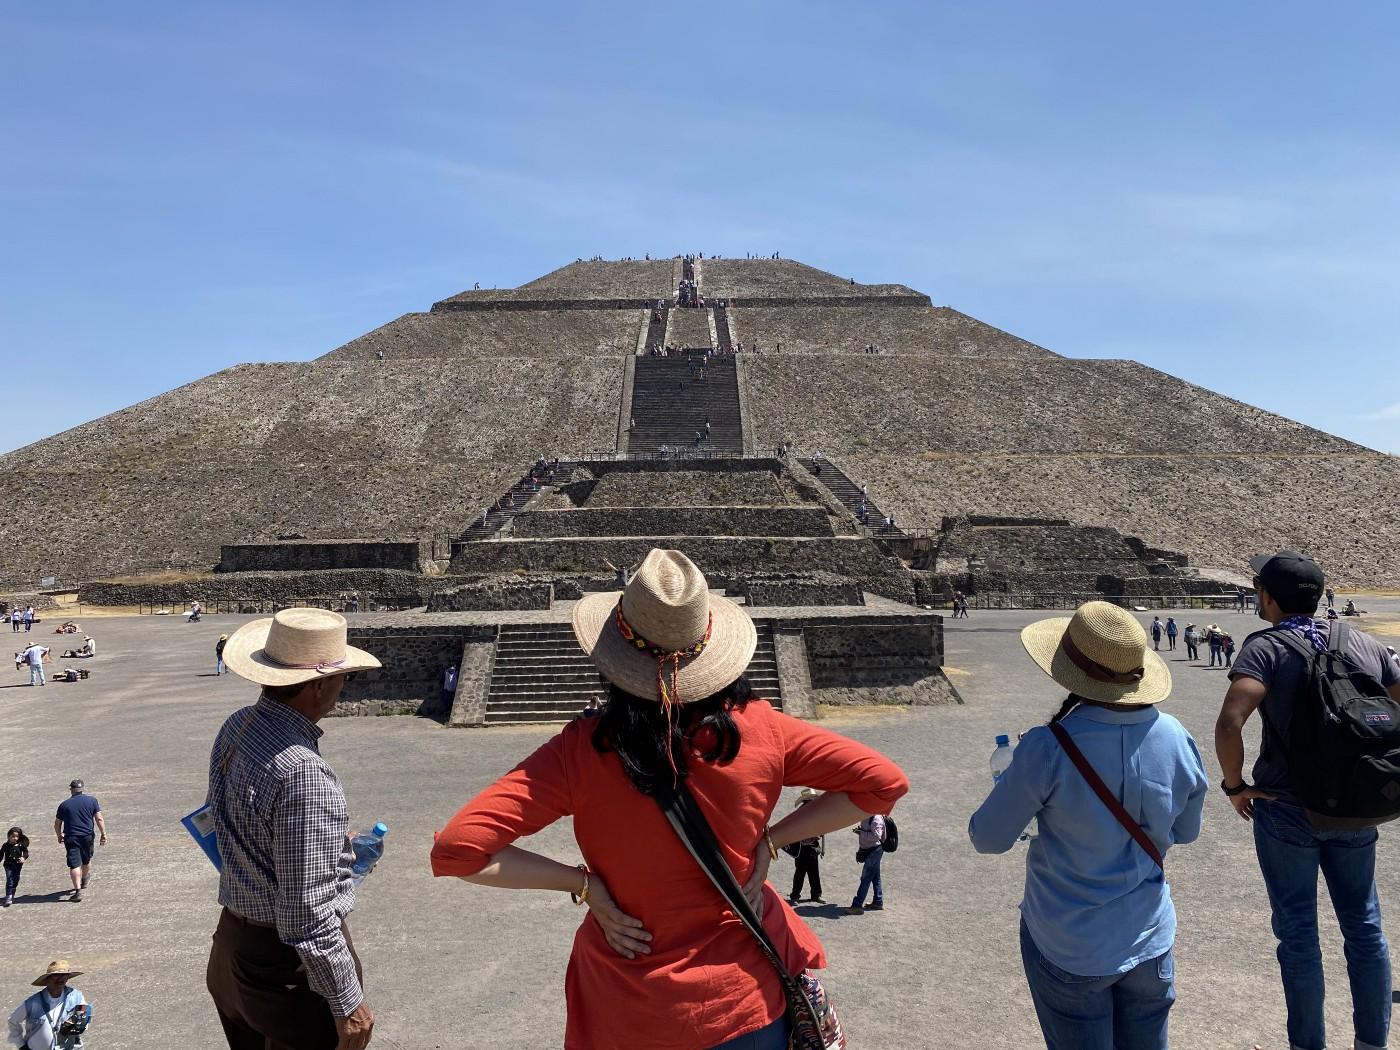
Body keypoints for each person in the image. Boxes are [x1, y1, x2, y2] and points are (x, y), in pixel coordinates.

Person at [431, 548, 908, 1049]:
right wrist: (769, 843)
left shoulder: (580, 750)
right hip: (741, 1000)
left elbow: (456, 851)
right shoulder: (765, 731)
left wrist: (585, 884)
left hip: (628, 1007)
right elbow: (883, 783)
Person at [970, 601, 1208, 1050]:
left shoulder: (1048, 746)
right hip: (1149, 935)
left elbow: (988, 838)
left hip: (1070, 942)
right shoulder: (1177, 735)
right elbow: (1187, 831)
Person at [1216, 551, 1400, 1050]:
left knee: (1298, 934)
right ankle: (1372, 1042)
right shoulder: (1363, 643)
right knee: (1364, 929)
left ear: (1268, 597)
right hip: (1355, 807)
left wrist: (1235, 787)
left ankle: (1308, 1043)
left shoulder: (1265, 648)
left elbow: (1231, 723)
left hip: (1285, 806)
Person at [205, 608, 381, 1050]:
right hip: (283, 968)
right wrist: (348, 1004)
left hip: (231, 946)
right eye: (342, 677)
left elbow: (235, 827)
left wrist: (330, 853)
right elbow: (307, 911)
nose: (343, 688)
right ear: (320, 684)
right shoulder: (304, 773)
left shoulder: (238, 726)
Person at [7, 962, 90, 1050]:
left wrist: (79, 1025)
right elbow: (13, 1021)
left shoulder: (76, 997)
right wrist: (21, 1045)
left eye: (65, 975)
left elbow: (84, 1017)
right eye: (57, 975)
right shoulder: (33, 1002)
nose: (61, 979)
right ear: (48, 979)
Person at [54, 780, 105, 902]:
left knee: (74, 864)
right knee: (86, 860)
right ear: (82, 789)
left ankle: (77, 891)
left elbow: (57, 823)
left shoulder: (64, 805)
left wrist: (59, 836)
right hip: (87, 836)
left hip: (71, 837)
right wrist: (103, 834)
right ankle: (84, 879)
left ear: (71, 789)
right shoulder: (92, 801)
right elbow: (99, 818)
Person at [786, 789, 825, 905]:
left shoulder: (816, 812)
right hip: (802, 848)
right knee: (800, 873)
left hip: (812, 847)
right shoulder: (801, 812)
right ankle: (794, 896)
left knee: (814, 872)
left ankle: (816, 895)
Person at [847, 812, 886, 913]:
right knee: (875, 877)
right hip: (871, 850)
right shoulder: (867, 816)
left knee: (865, 878)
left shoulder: (876, 819)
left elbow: (877, 836)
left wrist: (861, 833)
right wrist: (860, 831)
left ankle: (857, 905)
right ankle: (878, 901)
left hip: (874, 851)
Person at [3, 827, 28, 907]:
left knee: (16, 879)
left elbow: (26, 852)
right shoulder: (6, 845)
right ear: (9, 836)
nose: (15, 838)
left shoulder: (21, 845)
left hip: (17, 865)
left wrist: (23, 857)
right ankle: (8, 896)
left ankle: (12, 893)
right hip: (8, 865)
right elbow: (0, 854)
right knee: (9, 879)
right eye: (13, 836)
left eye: (16, 836)